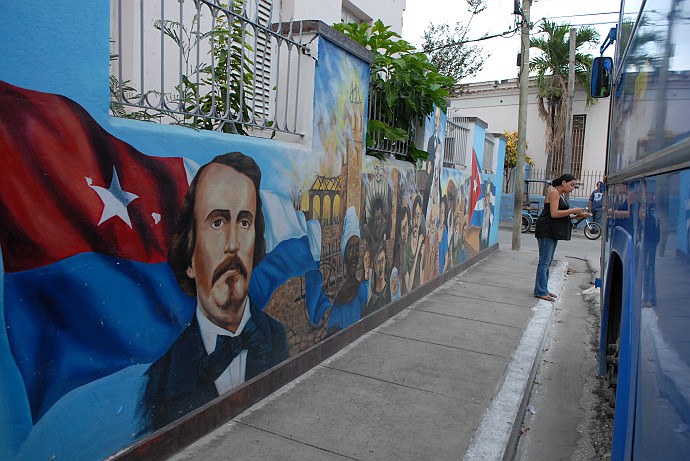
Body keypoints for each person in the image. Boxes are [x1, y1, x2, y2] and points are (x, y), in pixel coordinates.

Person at [140, 152, 288, 431]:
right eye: (217, 223)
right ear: (190, 258)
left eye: (244, 223)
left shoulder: (276, 337)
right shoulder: (159, 382)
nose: (233, 244)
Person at [533, 174, 588, 302]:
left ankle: (543, 289)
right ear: (564, 182)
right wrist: (573, 210)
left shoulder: (561, 195)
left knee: (548, 261)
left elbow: (561, 215)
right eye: (572, 184)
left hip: (553, 231)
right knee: (544, 261)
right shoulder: (554, 193)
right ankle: (540, 290)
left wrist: (578, 216)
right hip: (546, 230)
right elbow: (554, 213)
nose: (573, 188)